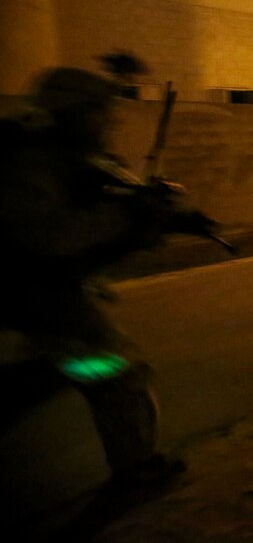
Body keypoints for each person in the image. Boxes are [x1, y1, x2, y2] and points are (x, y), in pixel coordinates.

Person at [0, 67, 194, 490]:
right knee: (117, 372)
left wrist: (158, 218)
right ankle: (137, 471)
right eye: (98, 112)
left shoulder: (69, 156)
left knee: (56, 369)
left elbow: (106, 220)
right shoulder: (31, 163)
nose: (109, 122)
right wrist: (126, 215)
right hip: (30, 291)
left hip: (43, 289)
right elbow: (52, 234)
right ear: (70, 111)